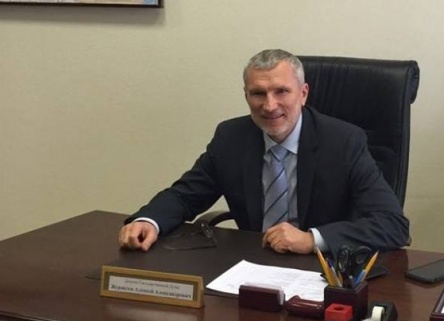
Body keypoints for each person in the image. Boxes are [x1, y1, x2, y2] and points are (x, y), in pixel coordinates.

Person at [119, 49, 409, 255]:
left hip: (322, 270)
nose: (269, 106)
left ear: (303, 94)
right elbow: (185, 195)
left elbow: (393, 225)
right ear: (246, 95)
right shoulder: (231, 137)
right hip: (250, 265)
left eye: (281, 91)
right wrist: (148, 220)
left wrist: (312, 240)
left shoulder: (344, 142)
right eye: (258, 93)